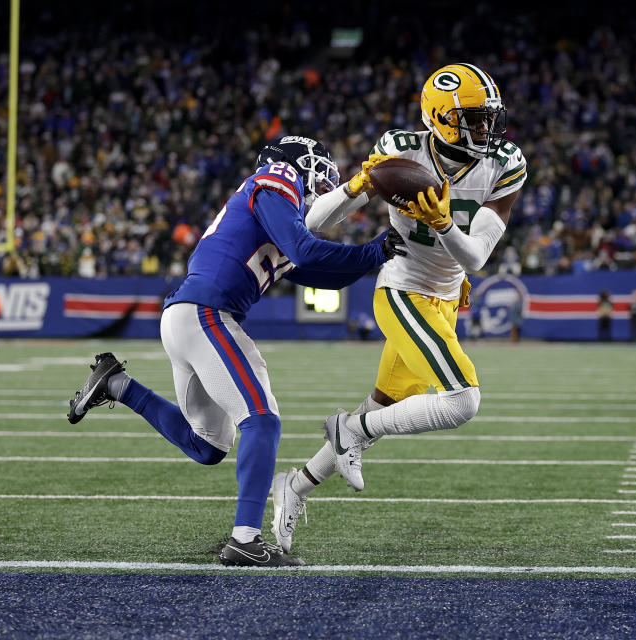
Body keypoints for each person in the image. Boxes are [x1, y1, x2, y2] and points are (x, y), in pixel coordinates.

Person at [66, 135, 405, 566]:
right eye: (319, 173)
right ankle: (245, 540)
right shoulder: (275, 180)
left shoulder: (274, 210)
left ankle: (117, 384)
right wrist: (374, 247)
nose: (322, 188)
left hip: (188, 316)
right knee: (261, 421)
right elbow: (304, 250)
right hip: (208, 313)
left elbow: (321, 274)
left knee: (207, 445)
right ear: (299, 164)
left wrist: (377, 253)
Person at [268, 63, 527, 554]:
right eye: (473, 118)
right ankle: (350, 429)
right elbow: (314, 223)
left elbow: (476, 257)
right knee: (462, 399)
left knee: (380, 409)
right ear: (440, 117)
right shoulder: (400, 151)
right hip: (403, 289)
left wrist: (445, 224)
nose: (485, 128)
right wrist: (358, 184)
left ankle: (295, 486)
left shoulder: (505, 163)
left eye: (489, 117)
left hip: (446, 297)